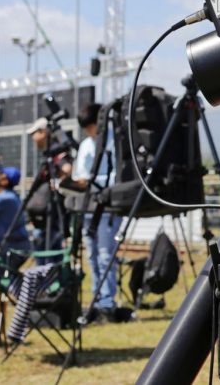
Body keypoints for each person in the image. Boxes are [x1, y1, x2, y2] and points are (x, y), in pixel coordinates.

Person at [72, 102, 121, 322]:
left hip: (107, 205)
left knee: (105, 255)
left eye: (89, 126)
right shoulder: (85, 146)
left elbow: (116, 177)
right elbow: (79, 172)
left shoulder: (114, 142)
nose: (88, 132)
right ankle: (95, 299)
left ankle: (107, 302)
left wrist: (92, 181)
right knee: (91, 255)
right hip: (88, 204)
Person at [26, 116, 72, 264]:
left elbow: (67, 169)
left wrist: (58, 182)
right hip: (44, 213)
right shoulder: (48, 154)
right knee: (45, 245)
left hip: (53, 211)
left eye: (35, 134)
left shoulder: (56, 152)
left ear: (43, 132)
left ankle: (47, 277)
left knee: (49, 247)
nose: (33, 138)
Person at [0, 166, 32, 270]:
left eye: (1, 175)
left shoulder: (4, 199)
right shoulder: (13, 196)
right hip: (19, 244)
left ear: (6, 181)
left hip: (11, 246)